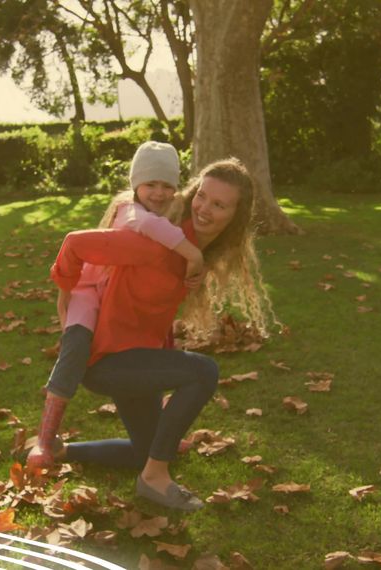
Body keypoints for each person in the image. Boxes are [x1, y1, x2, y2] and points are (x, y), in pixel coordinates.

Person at [41, 158, 276, 511]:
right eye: (202, 196)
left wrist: (164, 360)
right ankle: (154, 479)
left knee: (145, 449)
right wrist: (66, 302)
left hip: (135, 358)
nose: (204, 208)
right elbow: (75, 244)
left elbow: (155, 311)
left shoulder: (194, 251)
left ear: (235, 217)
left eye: (219, 204)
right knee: (204, 371)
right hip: (108, 360)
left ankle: (64, 450)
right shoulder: (160, 242)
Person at [26, 141, 205, 470]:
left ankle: (139, 438)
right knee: (76, 345)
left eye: (167, 186)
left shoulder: (156, 216)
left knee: (158, 346)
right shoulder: (133, 213)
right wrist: (193, 254)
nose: (160, 193)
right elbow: (146, 229)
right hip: (87, 292)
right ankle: (44, 439)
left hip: (112, 298)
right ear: (136, 184)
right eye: (151, 184)